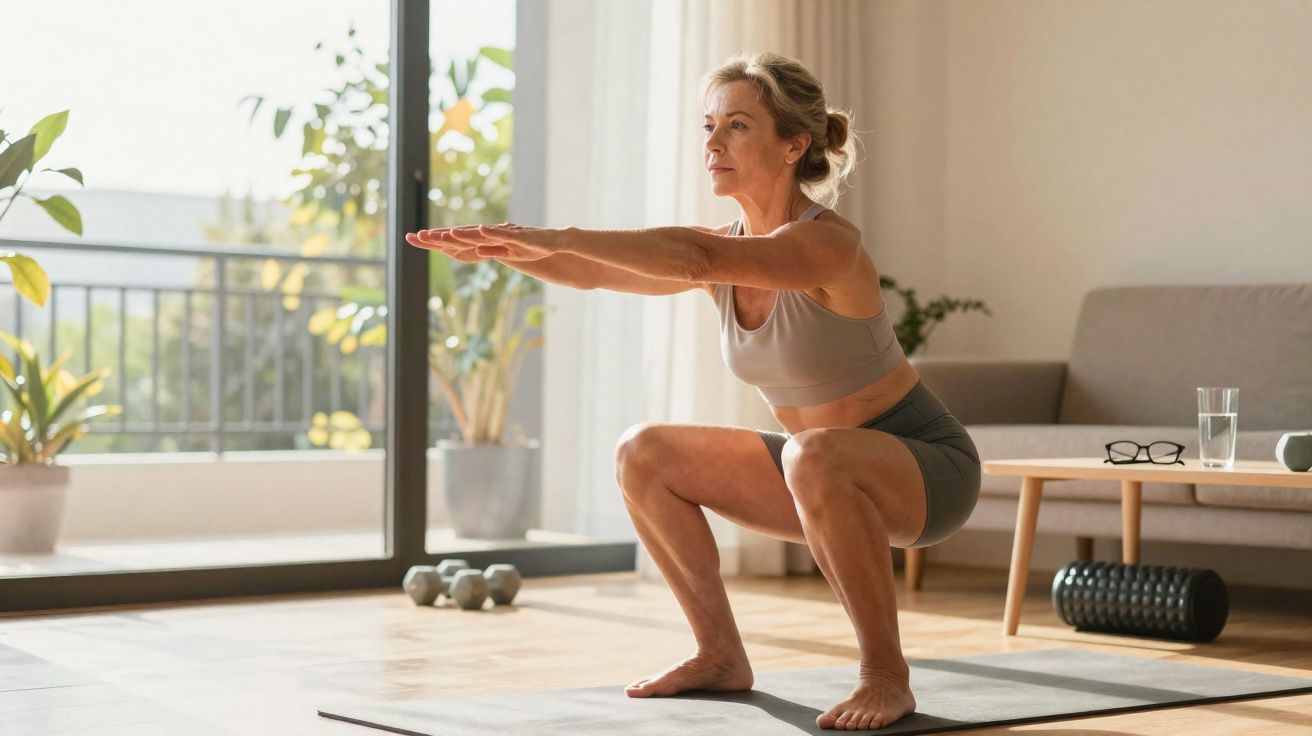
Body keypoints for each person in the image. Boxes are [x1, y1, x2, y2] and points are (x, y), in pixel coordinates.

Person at [406, 51, 981, 732]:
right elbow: (598, 274)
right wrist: (507, 248)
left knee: (815, 454)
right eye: (708, 126)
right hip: (816, 475)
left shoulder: (829, 248)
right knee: (643, 452)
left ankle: (886, 676)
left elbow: (696, 257)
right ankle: (717, 654)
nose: (712, 144)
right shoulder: (723, 251)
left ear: (793, 144)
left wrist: (555, 236)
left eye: (737, 126)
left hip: (924, 469)